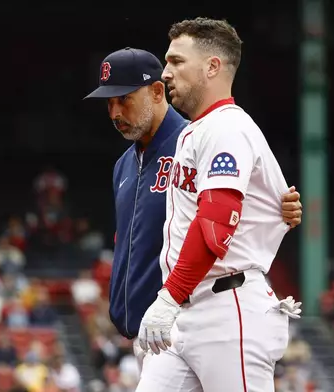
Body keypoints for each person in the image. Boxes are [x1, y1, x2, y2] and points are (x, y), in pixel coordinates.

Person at [84, 47, 303, 372]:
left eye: (124, 99)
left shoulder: (195, 139)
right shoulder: (124, 165)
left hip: (191, 316)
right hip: (148, 333)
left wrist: (276, 207)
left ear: (158, 91)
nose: (115, 112)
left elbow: (224, 213)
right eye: (109, 102)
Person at [135, 18, 302, 391]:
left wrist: (168, 297)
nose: (165, 72)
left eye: (177, 61)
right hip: (188, 309)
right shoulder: (197, 130)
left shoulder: (227, 128)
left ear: (212, 67)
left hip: (229, 309)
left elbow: (215, 225)